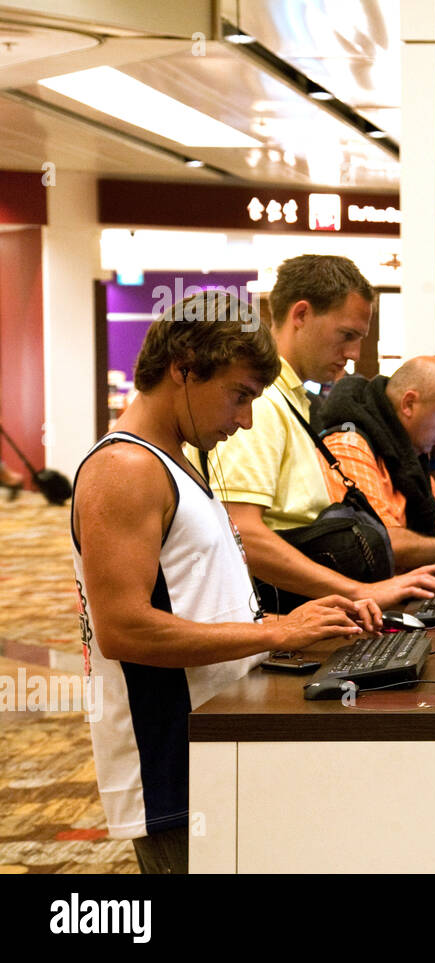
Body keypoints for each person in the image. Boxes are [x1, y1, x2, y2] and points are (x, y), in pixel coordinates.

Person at [71, 292, 383, 874]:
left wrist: (283, 632)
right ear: (184, 366)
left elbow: (199, 598)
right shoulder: (125, 469)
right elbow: (123, 629)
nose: (243, 421)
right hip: (170, 761)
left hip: (210, 739)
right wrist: (274, 631)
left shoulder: (175, 460)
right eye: (238, 396)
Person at [207, 254, 435, 611]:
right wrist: (357, 592)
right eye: (346, 335)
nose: (353, 353)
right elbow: (243, 532)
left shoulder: (292, 399)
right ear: (301, 315)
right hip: (282, 616)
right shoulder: (262, 405)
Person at [318, 356, 435, 570]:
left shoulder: (411, 450)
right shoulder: (349, 445)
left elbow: (433, 536)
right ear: (409, 404)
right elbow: (383, 543)